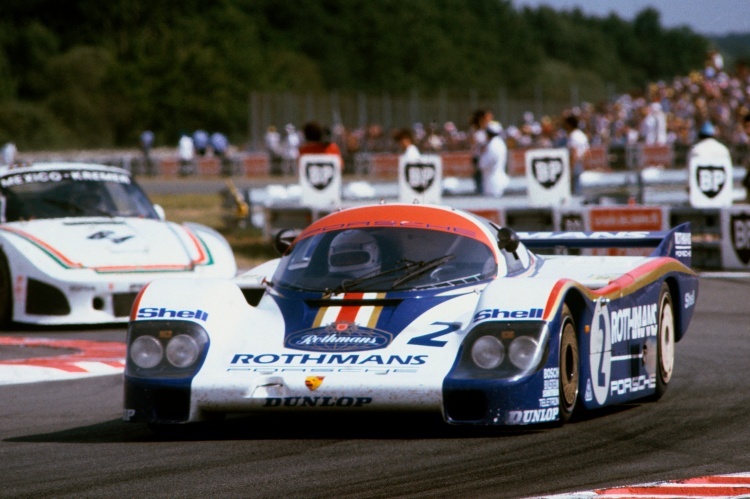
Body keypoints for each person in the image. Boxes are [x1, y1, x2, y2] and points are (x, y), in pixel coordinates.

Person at [477, 121, 509, 197]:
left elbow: (484, 164)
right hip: (496, 178)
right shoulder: (500, 143)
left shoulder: (493, 145)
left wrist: (481, 156)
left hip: (493, 182)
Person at [563, 114, 589, 196]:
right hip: (580, 162)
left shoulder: (573, 135)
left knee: (573, 186)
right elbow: (586, 150)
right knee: (578, 184)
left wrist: (571, 166)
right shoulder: (582, 135)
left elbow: (574, 151)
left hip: (574, 162)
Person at [470, 109, 494, 194]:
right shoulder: (476, 130)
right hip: (478, 156)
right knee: (479, 175)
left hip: (486, 155)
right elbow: (474, 143)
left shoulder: (489, 129)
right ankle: (479, 191)